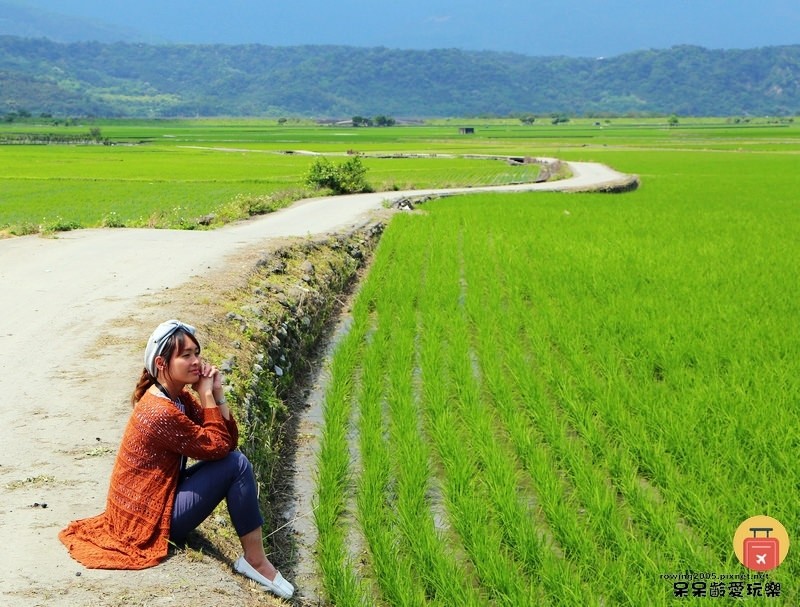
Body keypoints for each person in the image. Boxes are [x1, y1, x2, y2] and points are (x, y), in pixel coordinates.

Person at [59, 319, 294, 600]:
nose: (196, 361)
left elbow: (228, 441)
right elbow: (220, 447)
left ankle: (255, 559)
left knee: (234, 460)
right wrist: (206, 392)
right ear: (162, 363)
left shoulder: (176, 397)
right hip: (148, 522)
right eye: (186, 355)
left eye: (197, 353)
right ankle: (255, 560)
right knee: (236, 465)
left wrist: (217, 395)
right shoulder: (161, 411)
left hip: (160, 499)